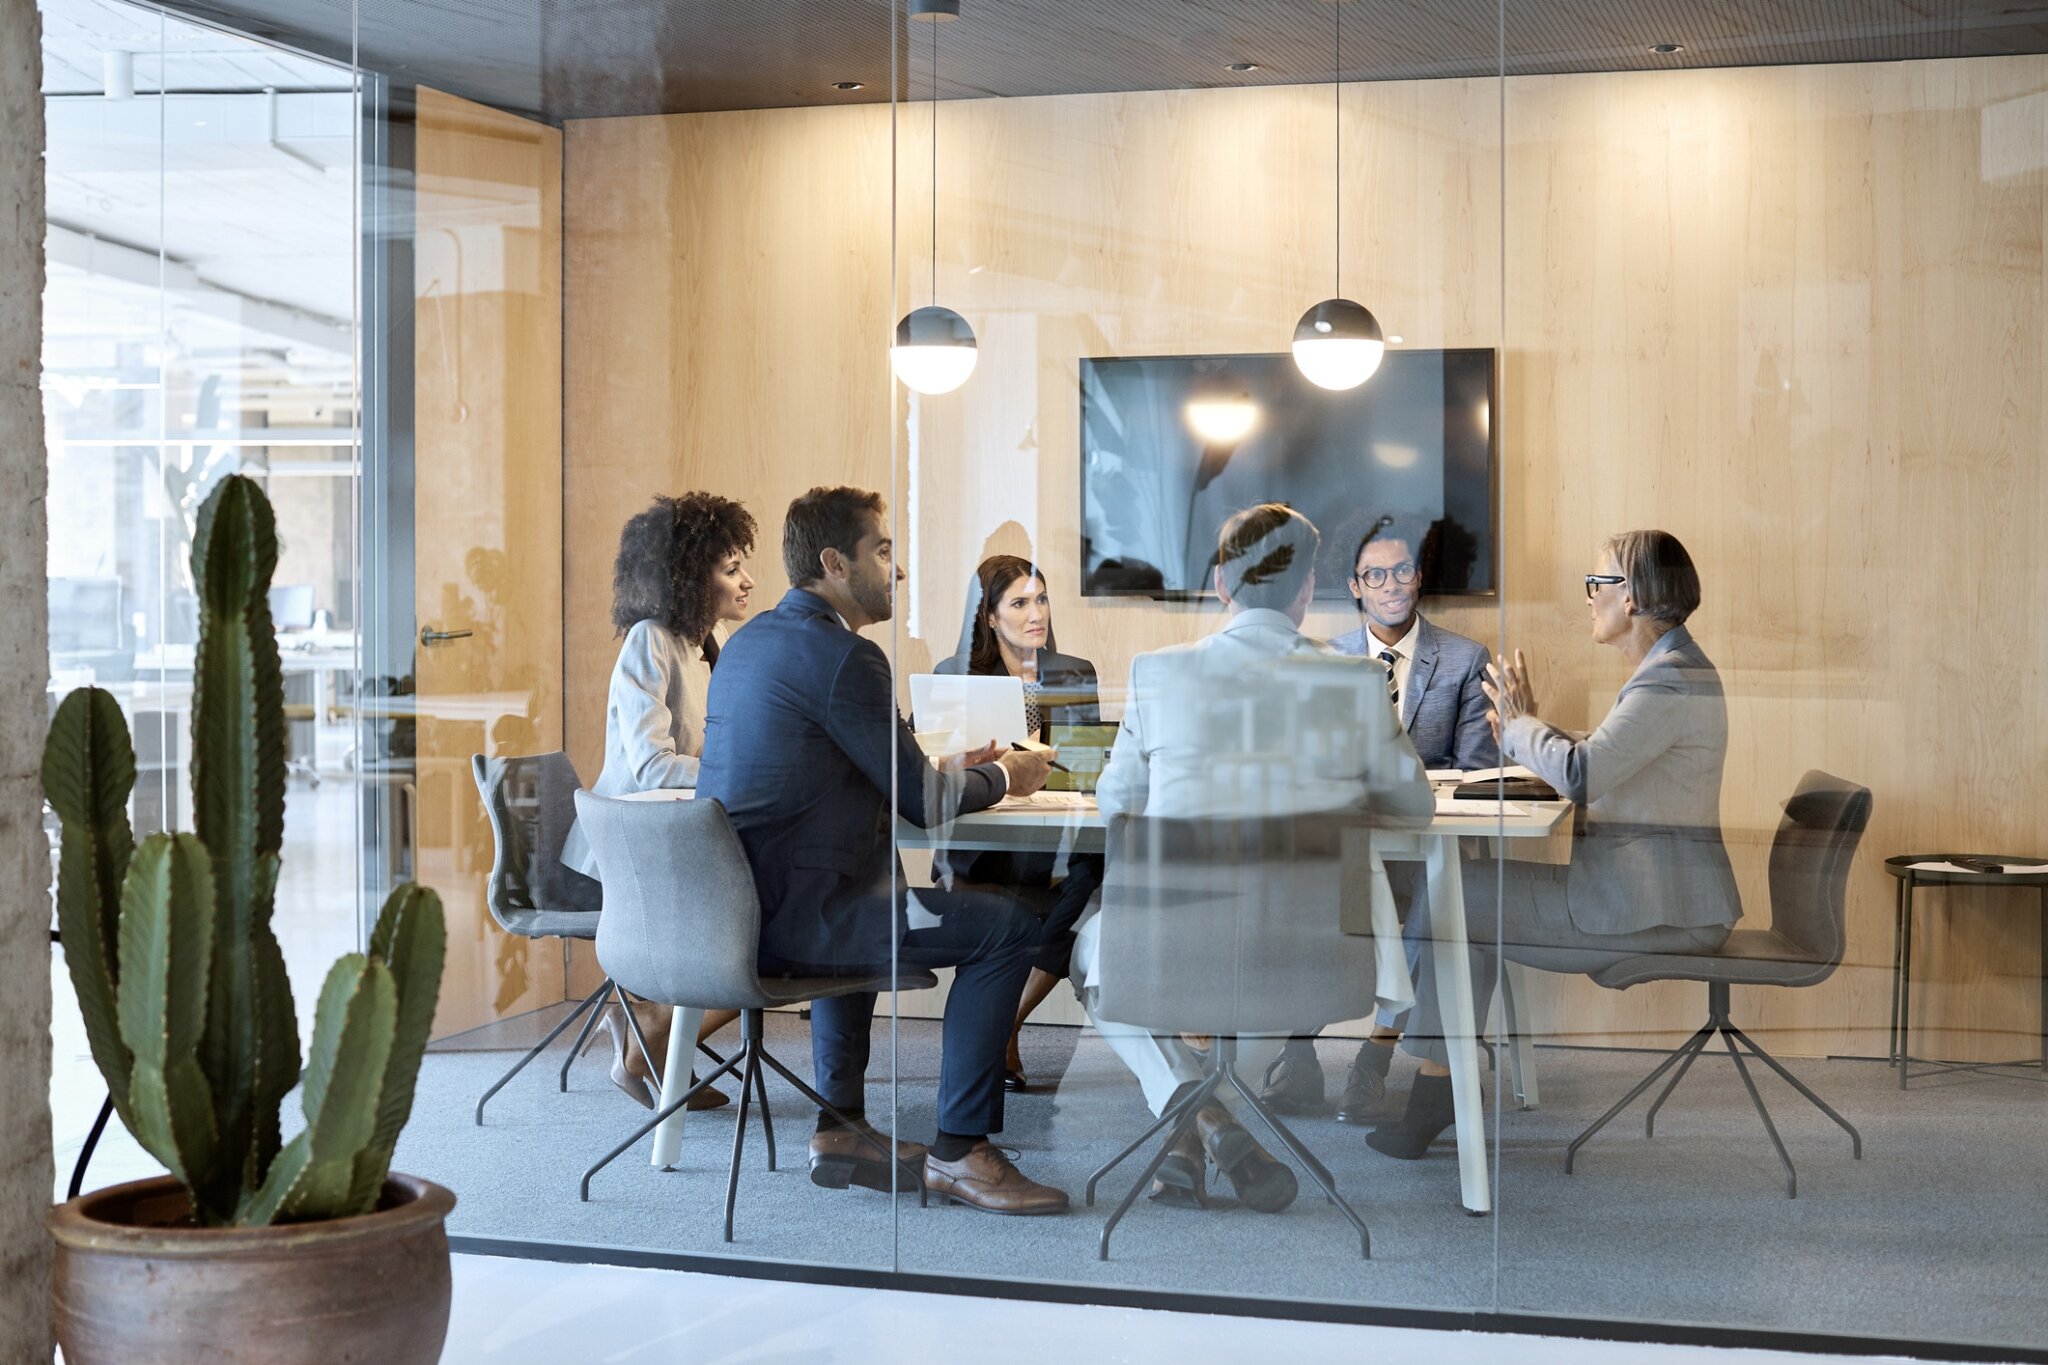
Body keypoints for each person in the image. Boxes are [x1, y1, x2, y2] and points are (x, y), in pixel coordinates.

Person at [696, 486, 1070, 1215]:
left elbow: (854, 771)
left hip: (742, 910)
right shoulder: (847, 657)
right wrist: (1008, 774)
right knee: (1014, 924)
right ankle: (962, 1151)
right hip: (805, 921)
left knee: (871, 883)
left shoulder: (751, 644)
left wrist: (956, 767)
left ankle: (840, 1129)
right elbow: (922, 808)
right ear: (835, 563)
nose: (897, 571)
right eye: (884, 551)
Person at [1073, 503, 1434, 1213]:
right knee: (1125, 951)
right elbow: (1414, 808)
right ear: (1307, 592)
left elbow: (1118, 806)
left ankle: (1195, 1115)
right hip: (1313, 959)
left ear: (1219, 585)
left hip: (1176, 949)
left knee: (1090, 952)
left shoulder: (1156, 673)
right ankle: (1209, 1122)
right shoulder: (1355, 680)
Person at [1367, 529, 1742, 1159]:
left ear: (1635, 596)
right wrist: (1530, 730)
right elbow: (1607, 755)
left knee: (1454, 899)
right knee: (1462, 896)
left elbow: (1584, 772)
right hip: (1649, 898)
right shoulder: (1671, 671)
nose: (1589, 598)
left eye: (1598, 584)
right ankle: (1435, 1085)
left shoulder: (1668, 681)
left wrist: (1521, 730)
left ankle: (1422, 1083)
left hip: (1648, 911)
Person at [1262, 515, 1498, 1121]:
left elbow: (1473, 772)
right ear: (1355, 585)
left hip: (1426, 838)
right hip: (1345, 841)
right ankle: (1298, 1051)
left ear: (1418, 578)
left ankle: (1376, 1056)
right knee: (1298, 890)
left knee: (1435, 897)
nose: (1391, 583)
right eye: (1376, 574)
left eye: (1401, 570)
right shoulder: (1320, 658)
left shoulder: (1465, 659)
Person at [560, 492, 755, 1112]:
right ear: (688, 578)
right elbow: (649, 765)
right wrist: (739, 771)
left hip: (674, 833)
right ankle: (650, 1037)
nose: (748, 581)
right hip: (629, 846)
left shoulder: (710, 640)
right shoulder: (651, 640)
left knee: (760, 917)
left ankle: (652, 1037)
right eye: (730, 569)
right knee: (758, 934)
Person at [934, 555, 1105, 1091]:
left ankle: (1006, 1022)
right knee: (1016, 887)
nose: (1037, 614)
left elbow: (1088, 764)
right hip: (983, 835)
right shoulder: (954, 674)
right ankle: (997, 1031)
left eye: (1042, 599)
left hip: (1054, 830)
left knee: (1095, 867)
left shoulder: (1074, 672)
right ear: (989, 616)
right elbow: (928, 767)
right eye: (1020, 603)